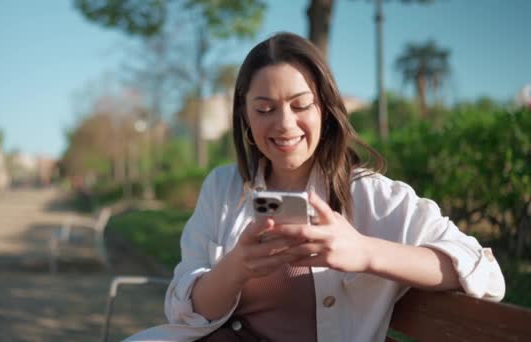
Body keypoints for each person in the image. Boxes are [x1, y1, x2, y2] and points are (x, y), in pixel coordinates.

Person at [126, 32, 505, 342]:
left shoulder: (371, 196)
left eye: (300, 105)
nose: (284, 124)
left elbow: (486, 274)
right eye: (264, 109)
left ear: (324, 107)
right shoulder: (223, 187)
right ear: (244, 115)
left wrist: (364, 252)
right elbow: (184, 311)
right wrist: (236, 266)